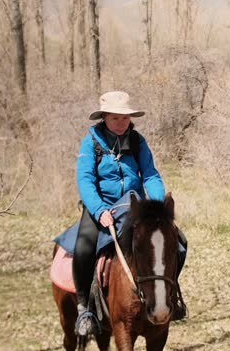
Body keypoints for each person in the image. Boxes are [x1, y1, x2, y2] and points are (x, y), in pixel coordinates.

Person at [73, 91, 175, 336]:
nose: (121, 123)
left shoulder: (138, 141)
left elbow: (150, 174)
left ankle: (173, 296)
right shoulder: (91, 142)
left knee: (177, 242)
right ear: (105, 117)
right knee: (83, 247)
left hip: (135, 206)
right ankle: (84, 309)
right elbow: (85, 179)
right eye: (115, 118)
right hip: (102, 206)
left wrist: (157, 207)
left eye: (125, 118)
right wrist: (98, 210)